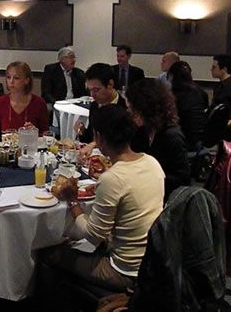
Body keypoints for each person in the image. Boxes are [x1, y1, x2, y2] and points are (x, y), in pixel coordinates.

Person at [44, 104, 165, 291]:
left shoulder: (112, 179)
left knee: (50, 251)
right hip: (154, 262)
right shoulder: (152, 162)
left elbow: (93, 235)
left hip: (125, 271)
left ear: (98, 137)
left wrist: (72, 200)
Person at [126, 79, 190, 201]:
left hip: (166, 198)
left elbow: (182, 180)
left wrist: (146, 177)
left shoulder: (172, 136)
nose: (130, 114)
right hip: (145, 191)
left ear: (146, 109)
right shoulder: (143, 130)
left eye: (132, 109)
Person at [75, 63, 126, 153]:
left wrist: (96, 144)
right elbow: (91, 139)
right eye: (90, 90)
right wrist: (82, 132)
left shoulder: (125, 108)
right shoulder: (94, 106)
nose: (92, 95)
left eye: (96, 90)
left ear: (110, 84)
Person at [0, 61, 49, 135]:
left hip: (30, 142)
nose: (11, 81)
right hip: (6, 142)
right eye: (8, 77)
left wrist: (34, 133)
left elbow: (46, 134)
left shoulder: (39, 103)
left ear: (26, 80)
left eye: (16, 78)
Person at [168, 61, 208, 151]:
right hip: (201, 138)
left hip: (185, 139)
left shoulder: (174, 96)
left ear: (172, 77)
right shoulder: (201, 92)